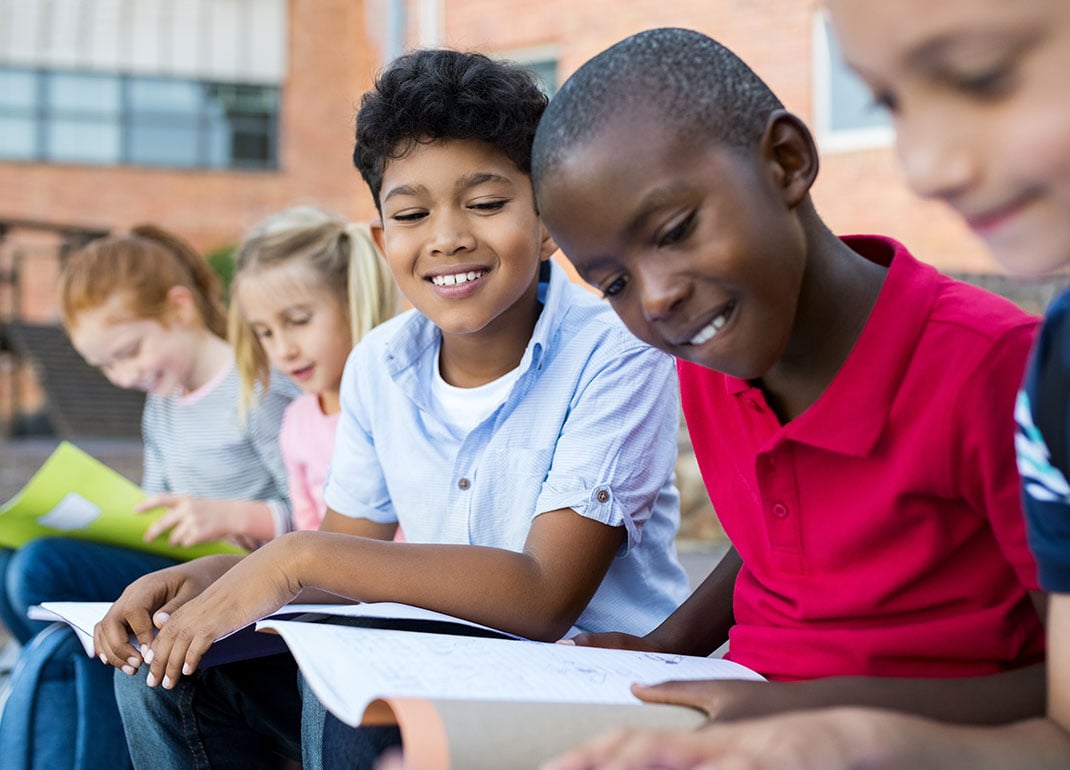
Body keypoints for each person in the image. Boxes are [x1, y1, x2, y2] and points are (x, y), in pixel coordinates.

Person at [98, 49, 691, 770]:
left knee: (356, 693)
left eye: (485, 203)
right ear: (383, 240)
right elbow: (345, 553)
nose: (447, 236)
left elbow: (544, 596)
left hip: (584, 682)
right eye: (412, 212)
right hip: (436, 667)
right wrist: (216, 579)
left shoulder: (617, 352)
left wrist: (296, 555)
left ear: (548, 223)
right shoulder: (382, 363)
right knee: (169, 673)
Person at [538, 4, 1070, 769]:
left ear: (786, 162)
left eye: (676, 228)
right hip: (738, 713)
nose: (653, 299)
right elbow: (775, 537)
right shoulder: (710, 355)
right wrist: (667, 647)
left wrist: (814, 707)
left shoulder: (999, 372)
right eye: (614, 282)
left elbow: (1059, 697)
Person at [0, 226, 295, 769]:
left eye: (130, 352)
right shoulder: (162, 404)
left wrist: (228, 516)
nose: (125, 375)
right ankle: (64, 685)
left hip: (234, 571)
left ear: (179, 309)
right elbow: (155, 501)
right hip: (170, 563)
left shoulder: (258, 386)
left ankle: (80, 713)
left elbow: (315, 514)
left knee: (40, 570)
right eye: (108, 367)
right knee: (10, 560)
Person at [229, 205, 398, 532]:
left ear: (353, 300)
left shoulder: (398, 406)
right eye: (265, 332)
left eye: (298, 321)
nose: (283, 350)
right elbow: (307, 531)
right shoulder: (296, 422)